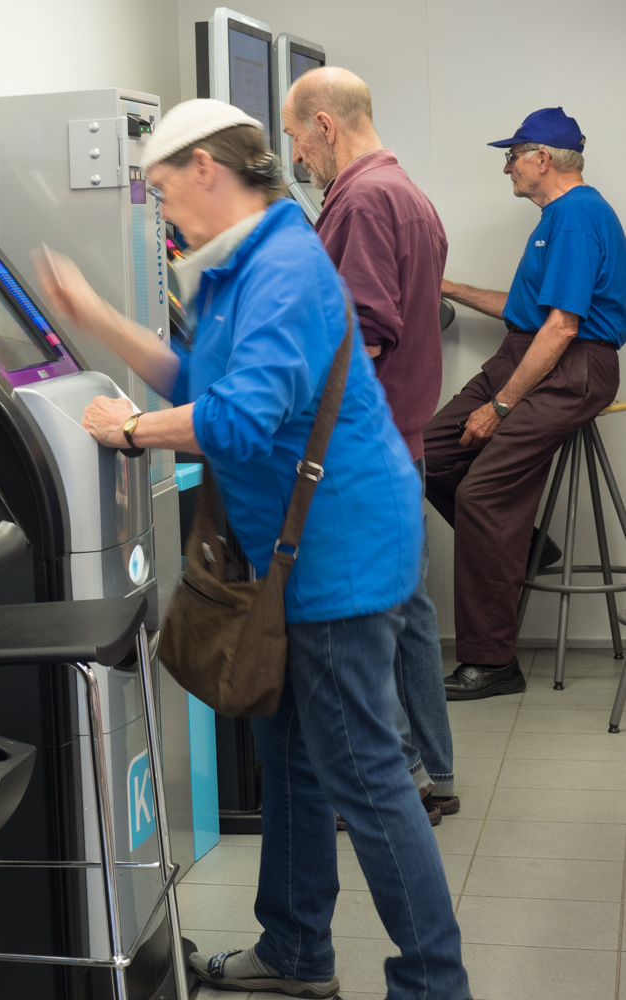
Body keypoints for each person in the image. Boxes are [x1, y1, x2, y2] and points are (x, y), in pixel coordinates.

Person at [33, 99, 469, 1000]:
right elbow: (202, 380)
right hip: (299, 550)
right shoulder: (248, 264)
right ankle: (296, 953)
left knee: (365, 774)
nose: (163, 211)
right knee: (295, 760)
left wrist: (129, 432)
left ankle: (433, 986)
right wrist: (95, 318)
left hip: (338, 553)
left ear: (205, 168)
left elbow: (237, 417)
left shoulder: (281, 267)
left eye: (162, 190)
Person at [282, 67, 457, 822]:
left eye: (294, 138)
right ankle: (433, 773)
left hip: (360, 449)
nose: (296, 156)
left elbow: (360, 338)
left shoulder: (359, 200)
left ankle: (399, 782)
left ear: (324, 125)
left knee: (366, 621)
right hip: (403, 440)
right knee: (409, 612)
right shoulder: (409, 195)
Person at [426, 107, 626, 700]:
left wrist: (503, 407)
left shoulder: (576, 217)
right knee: (427, 455)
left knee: (481, 494)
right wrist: (446, 286)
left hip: (572, 369)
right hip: (529, 354)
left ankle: (492, 664)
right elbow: (528, 313)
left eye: (511, 155)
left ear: (542, 157)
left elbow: (563, 328)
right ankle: (532, 547)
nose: (506, 167)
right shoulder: (557, 218)